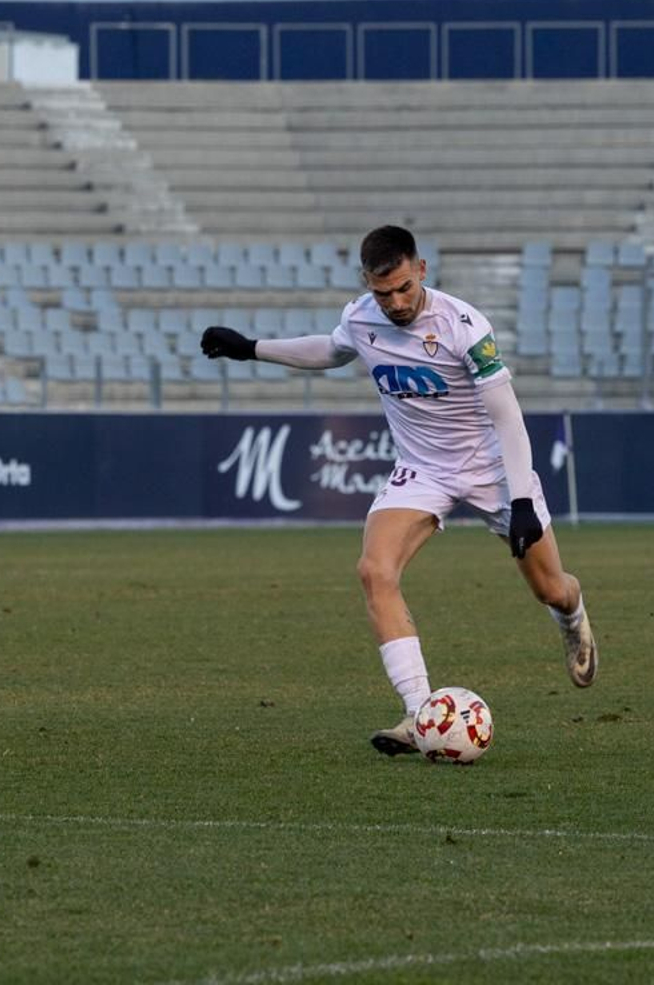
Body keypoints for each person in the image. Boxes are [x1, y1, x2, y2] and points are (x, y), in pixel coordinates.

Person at [200, 225, 597, 756]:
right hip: (422, 470)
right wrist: (252, 349)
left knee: (550, 588)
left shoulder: (464, 326)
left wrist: (522, 497)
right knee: (374, 570)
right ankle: (420, 713)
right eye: (382, 292)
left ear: (422, 271)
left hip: (493, 469)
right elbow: (333, 351)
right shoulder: (361, 316)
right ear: (366, 282)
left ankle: (573, 616)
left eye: (404, 288)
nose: (395, 303)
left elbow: (508, 418)